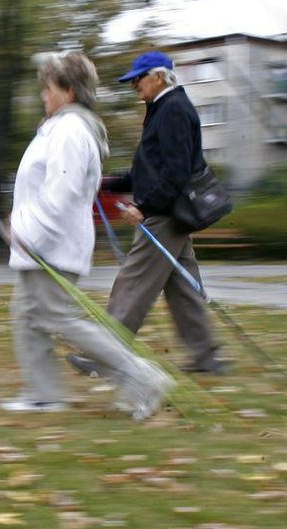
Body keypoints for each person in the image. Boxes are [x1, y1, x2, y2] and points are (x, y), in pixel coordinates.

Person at [0, 51, 173, 420]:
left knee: (59, 318)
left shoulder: (71, 131)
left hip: (53, 244)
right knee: (27, 315)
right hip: (43, 243)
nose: (42, 96)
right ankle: (43, 395)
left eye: (47, 89)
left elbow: (60, 192)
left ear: (68, 92)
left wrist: (29, 232)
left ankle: (142, 375)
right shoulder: (59, 127)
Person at [69, 50, 224, 376]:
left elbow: (176, 172)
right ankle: (206, 358)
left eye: (138, 79)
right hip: (171, 214)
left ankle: (104, 358)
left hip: (165, 215)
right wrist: (109, 182)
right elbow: (150, 169)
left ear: (158, 76)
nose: (134, 86)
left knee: (132, 283)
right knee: (183, 289)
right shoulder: (163, 109)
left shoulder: (173, 110)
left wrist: (145, 207)